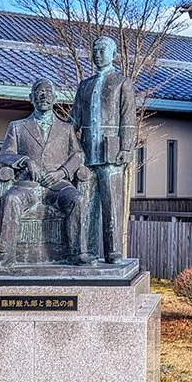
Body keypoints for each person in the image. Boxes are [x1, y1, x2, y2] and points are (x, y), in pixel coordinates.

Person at [0, 78, 89, 267]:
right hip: (28, 185)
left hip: (57, 186)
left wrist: (62, 172)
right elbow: (4, 156)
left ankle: (78, 253)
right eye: (39, 92)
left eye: (48, 92)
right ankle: (6, 254)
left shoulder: (67, 128)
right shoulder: (17, 127)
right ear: (31, 97)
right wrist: (26, 161)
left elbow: (78, 155)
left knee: (77, 199)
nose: (44, 96)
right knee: (10, 199)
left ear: (55, 98)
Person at [71, 36, 137, 263]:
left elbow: (128, 119)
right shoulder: (85, 86)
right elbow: (74, 123)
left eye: (102, 50)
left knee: (112, 205)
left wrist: (127, 148)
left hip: (111, 154)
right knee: (86, 204)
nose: (97, 54)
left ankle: (113, 251)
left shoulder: (121, 82)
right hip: (87, 156)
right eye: (95, 49)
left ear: (114, 54)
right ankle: (86, 251)